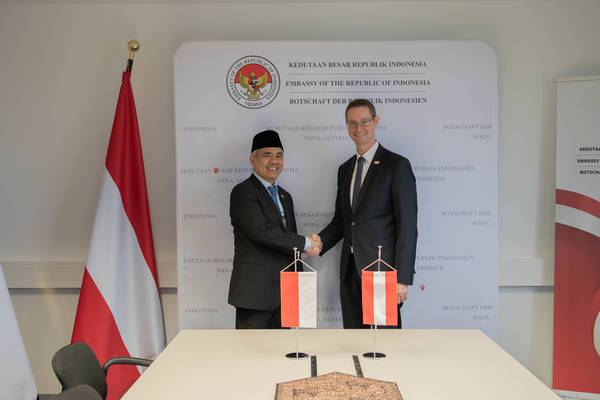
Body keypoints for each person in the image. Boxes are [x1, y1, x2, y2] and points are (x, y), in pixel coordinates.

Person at [315, 99, 418, 328]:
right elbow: (342, 222)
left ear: (375, 121)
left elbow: (408, 227)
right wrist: (317, 243)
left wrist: (402, 278)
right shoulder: (345, 169)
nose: (358, 128)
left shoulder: (396, 166)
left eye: (364, 121)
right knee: (355, 339)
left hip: (382, 271)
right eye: (352, 123)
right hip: (350, 271)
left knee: (385, 342)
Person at [228, 129, 321, 329]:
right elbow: (262, 233)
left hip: (286, 294)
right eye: (267, 155)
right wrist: (306, 242)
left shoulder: (285, 196)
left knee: (285, 348)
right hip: (255, 297)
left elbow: (287, 240)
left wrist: (307, 248)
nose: (274, 161)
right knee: (252, 349)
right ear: (252, 160)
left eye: (279, 156)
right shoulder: (243, 192)